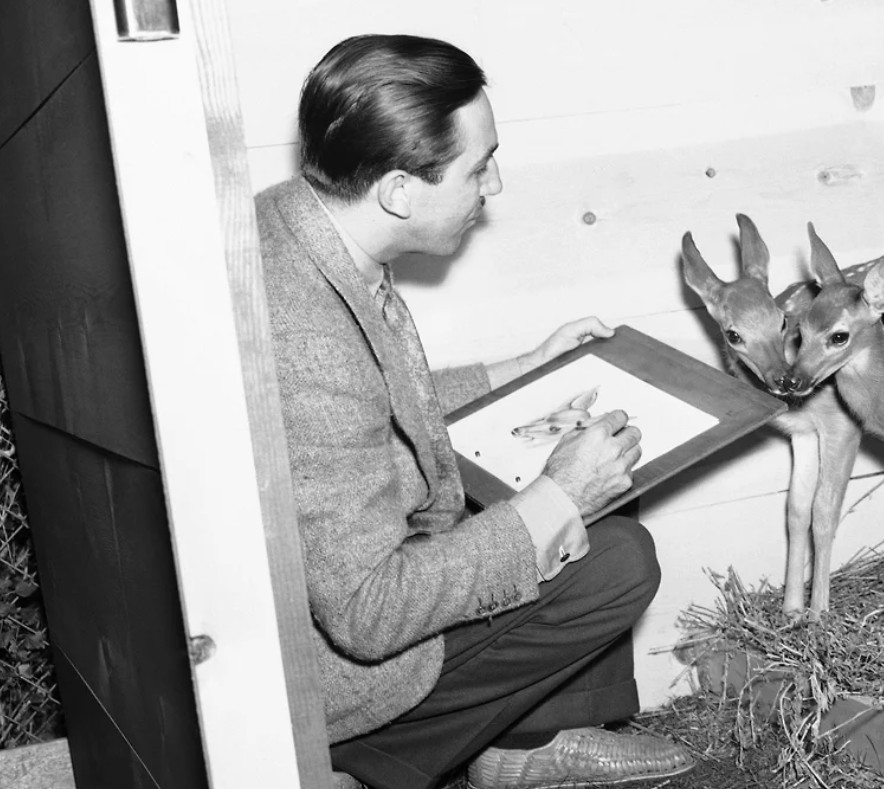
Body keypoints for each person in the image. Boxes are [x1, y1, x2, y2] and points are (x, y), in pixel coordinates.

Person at [254, 33, 697, 789]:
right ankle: (375, 756)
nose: (494, 184)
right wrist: (558, 495)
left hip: (356, 559)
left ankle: (528, 738)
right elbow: (366, 613)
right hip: (332, 667)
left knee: (601, 457)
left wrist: (520, 371)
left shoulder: (301, 224)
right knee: (619, 560)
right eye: (478, 166)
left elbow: (369, 402)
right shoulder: (307, 336)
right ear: (400, 191)